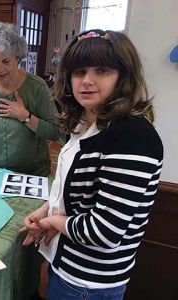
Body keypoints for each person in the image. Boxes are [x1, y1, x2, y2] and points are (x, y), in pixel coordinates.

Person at [21, 29, 164, 300]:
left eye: (101, 70)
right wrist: (46, 209)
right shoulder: (85, 124)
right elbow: (77, 193)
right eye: (79, 71)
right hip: (67, 265)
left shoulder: (132, 136)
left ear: (123, 76)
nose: (87, 81)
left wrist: (53, 220)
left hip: (89, 282)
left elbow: (104, 231)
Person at [0, 22, 60, 177]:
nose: (0, 69)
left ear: (17, 58)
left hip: (31, 176)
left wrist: (25, 116)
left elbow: (55, 132)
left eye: (6, 61)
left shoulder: (37, 87)